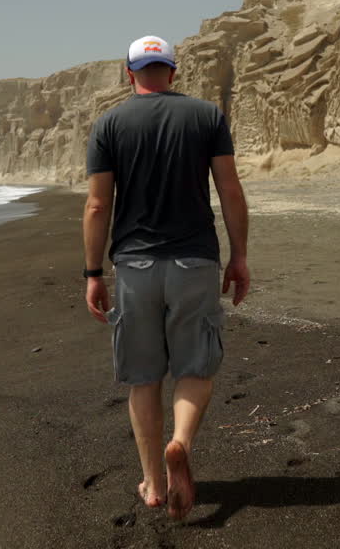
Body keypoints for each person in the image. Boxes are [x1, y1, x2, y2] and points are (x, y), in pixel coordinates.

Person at [83, 35, 251, 521]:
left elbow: (98, 205)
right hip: (194, 262)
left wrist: (94, 273)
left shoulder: (109, 124)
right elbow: (230, 190)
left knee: (143, 376)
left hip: (134, 266)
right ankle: (179, 443)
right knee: (195, 366)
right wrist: (239, 257)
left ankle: (154, 484)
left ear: (129, 72)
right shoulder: (206, 116)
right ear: (173, 72)